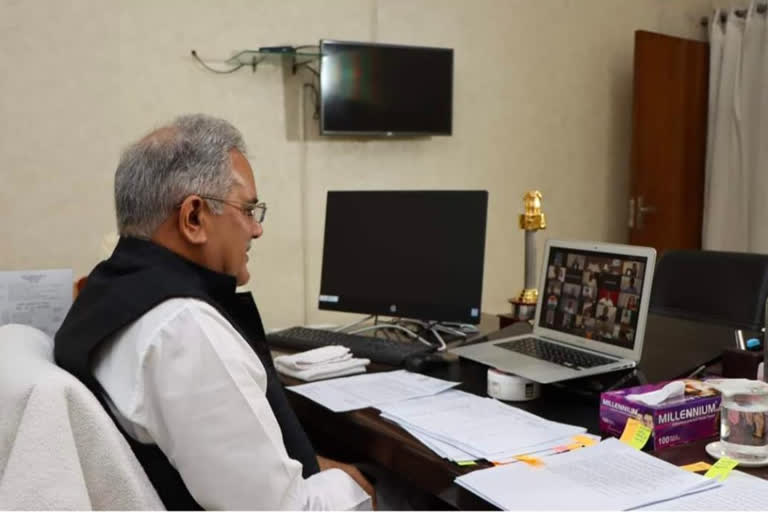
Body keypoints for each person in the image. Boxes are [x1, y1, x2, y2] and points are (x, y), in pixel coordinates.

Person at [54, 114, 374, 510]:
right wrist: (360, 489)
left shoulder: (107, 292)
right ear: (193, 218)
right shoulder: (183, 330)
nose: (256, 230)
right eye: (248, 209)